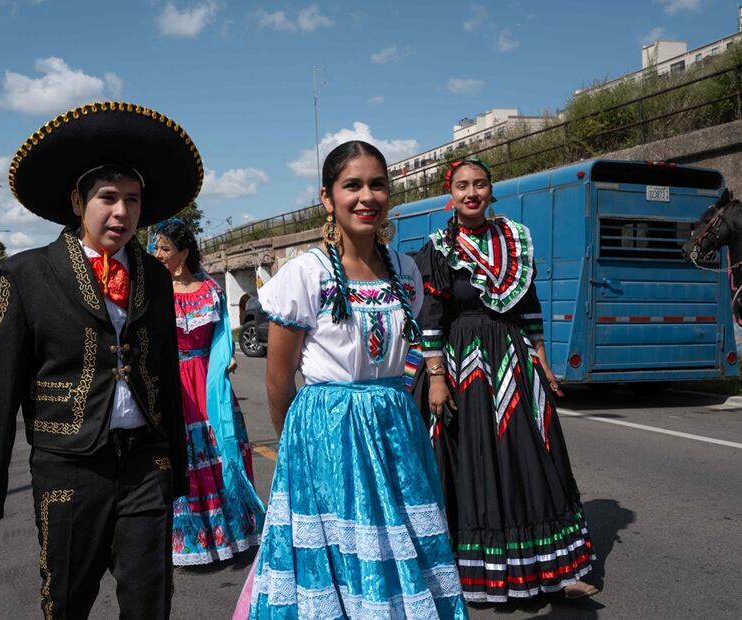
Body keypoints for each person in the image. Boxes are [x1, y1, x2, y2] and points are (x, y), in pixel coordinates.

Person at [0, 101, 203, 619]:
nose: (122, 212)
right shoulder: (25, 275)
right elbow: (0, 388)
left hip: (145, 460)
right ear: (78, 201)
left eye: (133, 201)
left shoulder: (156, 277)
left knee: (150, 602)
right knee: (67, 600)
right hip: (68, 464)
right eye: (108, 198)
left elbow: (164, 372)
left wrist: (177, 470)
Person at [246, 140, 467, 619]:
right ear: (327, 198)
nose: (367, 196)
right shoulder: (304, 273)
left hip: (394, 429)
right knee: (338, 549)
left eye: (378, 184)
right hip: (328, 432)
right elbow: (279, 379)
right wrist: (294, 447)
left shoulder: (404, 270)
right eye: (352, 186)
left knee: (400, 540)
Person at [415, 157, 598, 603]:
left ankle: (556, 571)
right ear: (450, 195)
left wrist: (542, 357)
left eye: (479, 184)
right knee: (471, 459)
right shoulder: (440, 248)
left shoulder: (515, 238)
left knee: (533, 456)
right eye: (462, 186)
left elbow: (529, 304)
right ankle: (468, 571)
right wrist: (436, 378)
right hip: (464, 365)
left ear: (491, 190)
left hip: (514, 360)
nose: (471, 192)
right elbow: (432, 316)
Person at [151, 218, 265, 566]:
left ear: (183, 254)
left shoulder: (210, 290)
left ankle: (232, 532)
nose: (157, 254)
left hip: (208, 381)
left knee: (220, 449)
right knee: (183, 458)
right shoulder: (152, 291)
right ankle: (189, 541)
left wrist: (227, 359)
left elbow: (221, 339)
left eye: (165, 248)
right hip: (173, 382)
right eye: (155, 247)